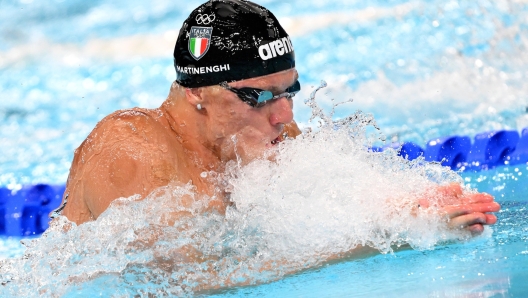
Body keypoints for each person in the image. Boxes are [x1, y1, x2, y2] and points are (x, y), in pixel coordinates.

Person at [59, 0, 499, 238]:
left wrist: (412, 209)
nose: (285, 116)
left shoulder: (261, 135)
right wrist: (388, 235)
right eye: (260, 97)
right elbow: (186, 284)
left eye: (289, 91)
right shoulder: (131, 149)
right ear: (196, 91)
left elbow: (323, 204)